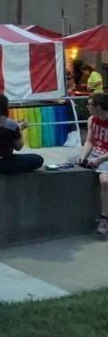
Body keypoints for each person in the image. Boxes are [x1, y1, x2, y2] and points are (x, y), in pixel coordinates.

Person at [0, 92, 43, 174]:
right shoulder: (11, 124)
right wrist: (20, 130)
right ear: (4, 106)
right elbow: (19, 147)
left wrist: (16, 128)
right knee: (38, 159)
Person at [76, 93, 108, 235]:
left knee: (105, 181)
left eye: (90, 104)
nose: (87, 106)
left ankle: (104, 218)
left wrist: (99, 160)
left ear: (99, 107)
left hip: (105, 156)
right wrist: (83, 156)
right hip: (96, 153)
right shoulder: (91, 120)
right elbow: (89, 141)